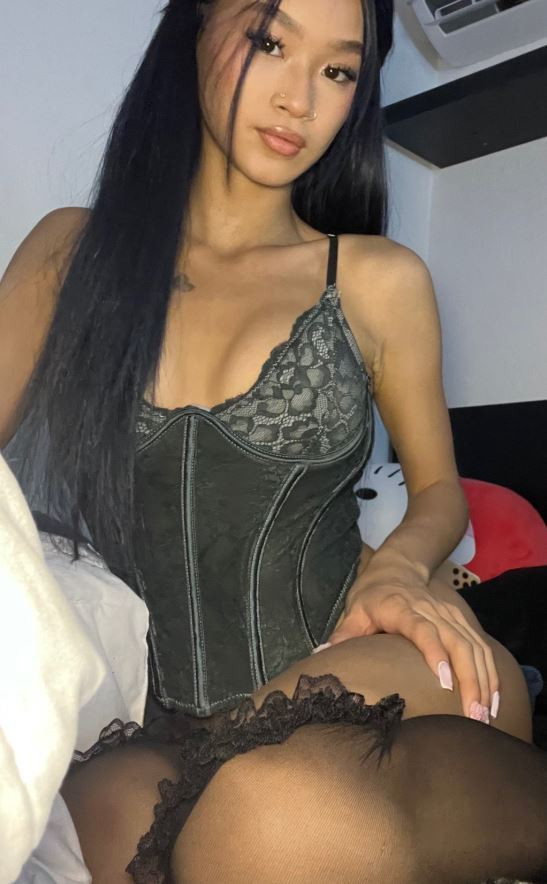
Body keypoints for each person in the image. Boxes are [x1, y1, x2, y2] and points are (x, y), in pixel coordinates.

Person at [1, 0, 546, 881]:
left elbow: (439, 491)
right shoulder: (73, 257)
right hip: (167, 714)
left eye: (337, 71)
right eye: (269, 42)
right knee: (84, 830)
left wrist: (398, 568)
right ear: (193, 34)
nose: (300, 99)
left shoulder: (374, 279)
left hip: (374, 656)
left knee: (262, 806)